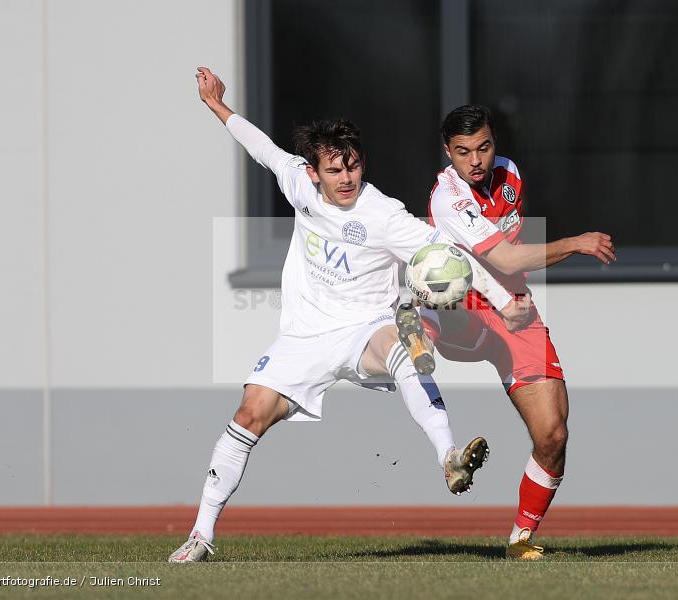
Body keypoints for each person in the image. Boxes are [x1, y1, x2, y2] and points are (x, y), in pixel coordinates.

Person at [168, 70, 533, 563]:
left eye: (354, 167)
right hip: (303, 337)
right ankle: (200, 536)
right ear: (314, 172)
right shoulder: (298, 184)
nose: (347, 179)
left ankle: (448, 456)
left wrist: (505, 302)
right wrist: (216, 105)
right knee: (247, 415)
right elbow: (262, 148)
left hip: (367, 329)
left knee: (405, 343)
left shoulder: (383, 214)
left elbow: (450, 253)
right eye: (336, 171)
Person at [415, 104, 616, 560]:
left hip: (515, 308)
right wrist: (574, 243)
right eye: (463, 152)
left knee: (554, 435)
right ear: (448, 153)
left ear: (495, 144)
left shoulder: (510, 175)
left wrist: (511, 303)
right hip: (464, 302)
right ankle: (417, 323)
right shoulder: (448, 198)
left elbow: (509, 260)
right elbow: (503, 258)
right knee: (435, 296)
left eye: (483, 147)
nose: (476, 161)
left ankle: (519, 540)